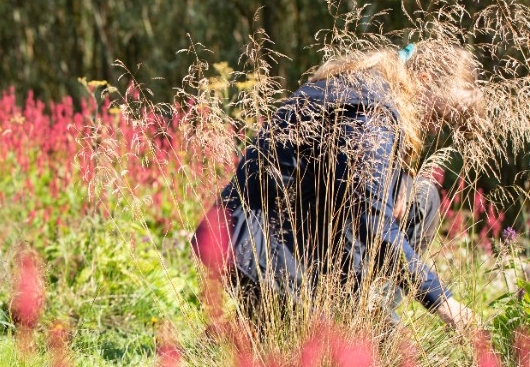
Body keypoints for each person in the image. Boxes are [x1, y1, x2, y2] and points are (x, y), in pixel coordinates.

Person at [194, 40, 482, 329]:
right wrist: (443, 302)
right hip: (254, 251)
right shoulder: (371, 114)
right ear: (424, 80)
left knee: (423, 195)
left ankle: (365, 312)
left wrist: (402, 176)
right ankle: (352, 323)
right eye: (438, 114)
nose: (435, 126)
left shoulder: (365, 88)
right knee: (369, 356)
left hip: (281, 239)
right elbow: (372, 221)